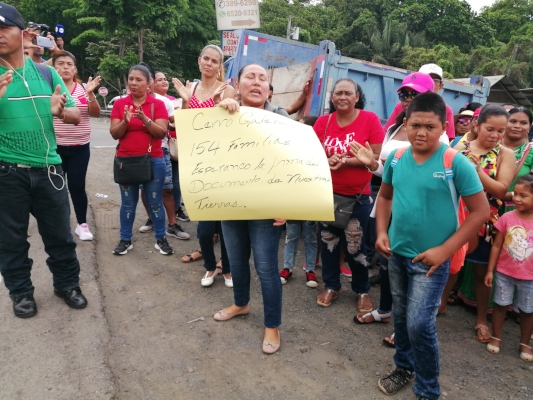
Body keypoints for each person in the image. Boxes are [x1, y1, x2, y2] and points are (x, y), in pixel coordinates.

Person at [375, 91, 488, 399]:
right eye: (415, 125)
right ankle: (403, 367)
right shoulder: (396, 159)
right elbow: (384, 198)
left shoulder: (455, 162)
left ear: (443, 128)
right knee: (400, 317)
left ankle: (428, 389)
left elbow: (481, 212)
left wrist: (445, 250)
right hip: (396, 254)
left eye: (430, 126)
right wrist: (381, 231)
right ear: (406, 124)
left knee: (420, 324)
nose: (421, 132)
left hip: (430, 263)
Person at [0, 2, 87, 318]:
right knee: (11, 241)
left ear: (22, 34)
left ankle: (67, 285)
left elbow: (76, 114)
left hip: (49, 167)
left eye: (3, 28)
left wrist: (60, 110)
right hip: (7, 172)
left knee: (60, 235)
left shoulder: (46, 72)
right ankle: (21, 293)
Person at [350, 73, 447, 338]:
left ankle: (403, 329)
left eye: (414, 95)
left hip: (417, 214)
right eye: (404, 95)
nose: (407, 99)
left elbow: (432, 177)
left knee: (414, 271)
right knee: (386, 262)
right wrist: (371, 163)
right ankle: (385, 311)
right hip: (389, 206)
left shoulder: (442, 139)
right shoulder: (393, 128)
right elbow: (389, 173)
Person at [213, 64, 288, 354]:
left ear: (269, 88)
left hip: (266, 207)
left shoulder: (280, 117)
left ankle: (272, 324)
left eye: (262, 79)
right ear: (238, 84)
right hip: (230, 202)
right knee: (236, 259)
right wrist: (223, 109)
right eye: (250, 77)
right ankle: (241, 304)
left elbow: (291, 161)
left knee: (267, 268)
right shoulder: (224, 112)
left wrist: (288, 205)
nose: (256, 83)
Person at [313, 78, 384, 312]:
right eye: (338, 93)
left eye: (348, 93)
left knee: (355, 246)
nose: (342, 97)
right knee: (329, 243)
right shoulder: (323, 122)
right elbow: (311, 155)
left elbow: (374, 157)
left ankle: (362, 289)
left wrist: (344, 161)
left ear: (356, 97)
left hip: (358, 199)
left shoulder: (370, 120)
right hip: (327, 196)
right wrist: (328, 159)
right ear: (332, 97)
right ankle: (332, 286)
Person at [173, 45, 235, 287]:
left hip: (222, 165)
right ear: (199, 61)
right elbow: (184, 129)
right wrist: (187, 103)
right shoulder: (192, 89)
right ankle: (210, 267)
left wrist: (223, 104)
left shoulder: (226, 89)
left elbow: (230, 126)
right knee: (205, 229)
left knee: (227, 225)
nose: (209, 63)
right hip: (198, 165)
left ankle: (227, 269)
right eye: (206, 59)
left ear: (220, 66)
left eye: (215, 61)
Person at [452, 105, 515, 343]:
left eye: (501, 130)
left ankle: (481, 319)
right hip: (457, 215)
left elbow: (501, 189)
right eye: (490, 129)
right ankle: (439, 307)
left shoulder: (504, 153)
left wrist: (477, 171)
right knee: (450, 266)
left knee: (481, 272)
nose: (495, 135)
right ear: (477, 125)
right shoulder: (460, 147)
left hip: (487, 221)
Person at [109, 64, 173, 256]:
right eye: (131, 79)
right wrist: (126, 121)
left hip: (153, 161)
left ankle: (161, 238)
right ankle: (125, 239)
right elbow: (114, 134)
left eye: (139, 80)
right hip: (126, 162)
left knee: (155, 202)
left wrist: (144, 119)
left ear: (148, 84)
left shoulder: (157, 105)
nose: (134, 83)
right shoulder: (120, 104)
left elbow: (161, 132)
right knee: (128, 203)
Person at [136, 64, 190, 241]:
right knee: (144, 189)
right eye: (134, 79)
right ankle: (151, 219)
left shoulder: (164, 102)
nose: (140, 82)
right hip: (140, 153)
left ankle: (172, 225)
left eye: (146, 79)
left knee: (167, 189)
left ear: (150, 81)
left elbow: (179, 121)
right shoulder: (129, 101)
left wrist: (185, 102)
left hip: (162, 150)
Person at [52, 50, 101, 240]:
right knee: (55, 188)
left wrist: (90, 94)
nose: (65, 67)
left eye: (69, 64)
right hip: (55, 148)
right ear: (53, 68)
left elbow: (95, 113)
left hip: (80, 147)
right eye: (61, 63)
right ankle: (59, 225)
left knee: (77, 186)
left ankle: (82, 224)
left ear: (75, 68)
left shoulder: (82, 88)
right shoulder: (50, 89)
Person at [484, 173, 533, 363]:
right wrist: (490, 270)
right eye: (516, 194)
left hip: (530, 277)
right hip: (505, 273)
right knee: (500, 305)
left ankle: (524, 343)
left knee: (528, 311)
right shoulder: (507, 217)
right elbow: (497, 245)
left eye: (523, 195)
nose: (517, 199)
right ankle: (496, 336)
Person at [280, 116, 319, 288]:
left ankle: (310, 269)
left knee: (310, 237)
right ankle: (287, 267)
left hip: (311, 202)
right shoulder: (289, 149)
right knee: (291, 236)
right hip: (292, 201)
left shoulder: (318, 151)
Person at [153, 70, 189, 223]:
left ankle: (176, 210)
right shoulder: (150, 100)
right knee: (155, 185)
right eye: (160, 79)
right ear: (151, 83)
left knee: (175, 183)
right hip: (163, 146)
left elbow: (179, 121)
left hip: (174, 146)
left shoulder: (173, 100)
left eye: (165, 79)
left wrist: (185, 101)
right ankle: (155, 216)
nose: (164, 82)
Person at [384, 63, 455, 139]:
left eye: (434, 80)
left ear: (440, 86)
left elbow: (449, 140)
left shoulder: (445, 110)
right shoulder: (401, 107)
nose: (408, 99)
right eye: (404, 95)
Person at [501, 107, 533, 213]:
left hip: (518, 212)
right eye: (513, 121)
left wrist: (511, 195)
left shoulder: (531, 152)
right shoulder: (490, 146)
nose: (517, 126)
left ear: (529, 127)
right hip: (484, 207)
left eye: (523, 123)